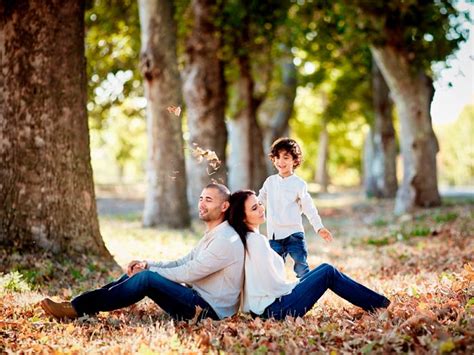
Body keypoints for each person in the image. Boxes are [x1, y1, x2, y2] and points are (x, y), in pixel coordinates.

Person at [40, 183, 245, 321]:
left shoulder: (225, 239)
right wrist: (147, 264)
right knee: (143, 274)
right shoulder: (215, 234)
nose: (202, 204)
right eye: (201, 198)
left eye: (209, 200)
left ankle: (77, 308)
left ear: (224, 206)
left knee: (146, 278)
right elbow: (183, 262)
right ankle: (78, 305)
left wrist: (150, 272)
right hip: (197, 298)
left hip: (209, 311)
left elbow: (189, 273)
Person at [227, 190, 390, 320]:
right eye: (254, 208)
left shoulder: (250, 239)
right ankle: (378, 304)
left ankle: (377, 303)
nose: (261, 208)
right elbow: (272, 286)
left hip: (265, 309)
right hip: (274, 311)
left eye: (260, 203)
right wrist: (295, 287)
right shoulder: (256, 242)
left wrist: (297, 285)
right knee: (327, 273)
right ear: (242, 217)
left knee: (325, 269)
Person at [258, 137, 333, 278]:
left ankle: (308, 292)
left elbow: (309, 208)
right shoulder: (270, 182)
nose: (280, 161)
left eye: (286, 157)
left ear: (295, 161)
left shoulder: (299, 184)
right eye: (277, 157)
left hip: (294, 234)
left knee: (302, 269)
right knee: (274, 271)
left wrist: (319, 227)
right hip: (274, 235)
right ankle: (279, 297)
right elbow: (259, 200)